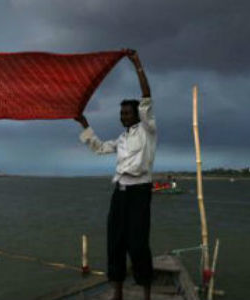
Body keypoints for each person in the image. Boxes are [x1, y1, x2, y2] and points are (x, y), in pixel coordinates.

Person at [74, 49, 154, 300]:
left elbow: (146, 96)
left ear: (138, 115)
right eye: (121, 114)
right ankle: (118, 293)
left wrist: (137, 64)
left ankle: (146, 295)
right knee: (115, 243)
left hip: (139, 193)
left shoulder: (147, 130)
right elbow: (98, 148)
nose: (123, 116)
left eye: (127, 113)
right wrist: (83, 123)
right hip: (119, 194)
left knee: (138, 245)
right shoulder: (120, 139)